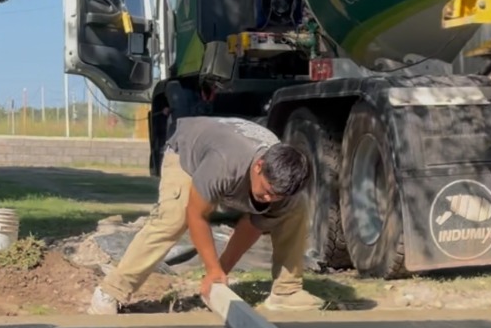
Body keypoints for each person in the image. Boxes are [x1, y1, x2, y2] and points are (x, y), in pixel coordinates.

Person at [88, 116, 321, 316]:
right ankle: (111, 291)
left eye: (276, 196)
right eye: (268, 191)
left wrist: (220, 272)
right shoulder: (225, 163)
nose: (269, 200)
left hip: (227, 152)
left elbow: (252, 225)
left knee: (295, 209)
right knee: (174, 217)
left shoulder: (284, 189)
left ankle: (286, 291)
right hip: (187, 153)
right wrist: (212, 270)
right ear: (259, 167)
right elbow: (196, 215)